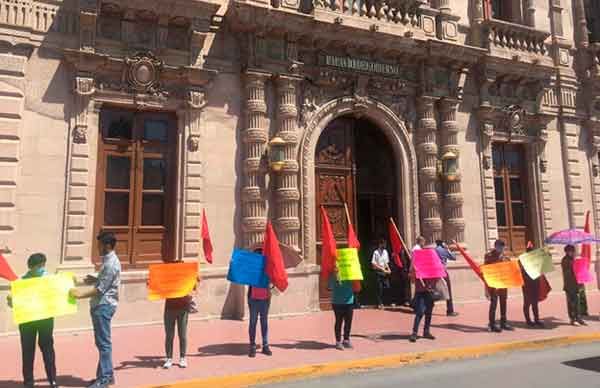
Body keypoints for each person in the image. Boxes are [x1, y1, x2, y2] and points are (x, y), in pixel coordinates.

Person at [70, 232, 121, 388]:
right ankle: (106, 375)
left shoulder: (111, 264)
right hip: (102, 305)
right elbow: (101, 279)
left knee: (103, 343)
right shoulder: (108, 261)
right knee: (102, 343)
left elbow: (100, 290)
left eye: (99, 245)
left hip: (103, 306)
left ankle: (104, 378)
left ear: (107, 245)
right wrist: (85, 279)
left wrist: (79, 294)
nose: (97, 248)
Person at [7, 253, 58, 388]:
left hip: (45, 320)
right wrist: (11, 300)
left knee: (47, 349)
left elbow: (58, 296)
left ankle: (53, 379)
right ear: (31, 267)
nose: (42, 268)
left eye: (43, 265)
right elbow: (13, 303)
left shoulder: (50, 279)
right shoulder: (21, 282)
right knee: (27, 351)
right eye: (39, 266)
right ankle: (28, 382)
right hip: (27, 321)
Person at [162, 261, 197, 369]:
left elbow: (194, 287)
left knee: (182, 335)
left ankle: (183, 357)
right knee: (169, 335)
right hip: (169, 309)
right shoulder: (168, 278)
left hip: (183, 309)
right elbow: (158, 285)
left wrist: (194, 278)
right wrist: (152, 282)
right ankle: (169, 358)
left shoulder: (185, 278)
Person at [484, 239, 513, 333]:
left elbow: (510, 269)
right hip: (493, 284)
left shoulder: (506, 257)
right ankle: (492, 324)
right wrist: (487, 287)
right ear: (495, 246)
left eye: (502, 246)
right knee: (494, 304)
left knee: (503, 302)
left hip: (503, 284)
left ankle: (503, 322)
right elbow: (486, 270)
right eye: (499, 246)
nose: (501, 248)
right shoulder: (489, 256)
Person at [248, 248, 272, 358]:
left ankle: (265, 345)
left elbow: (272, 280)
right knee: (253, 322)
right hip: (253, 299)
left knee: (264, 322)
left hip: (265, 299)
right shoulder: (251, 269)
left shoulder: (267, 268)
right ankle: (252, 346)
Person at [328, 266, 355, 350]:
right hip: (337, 302)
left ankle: (346, 339)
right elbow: (329, 287)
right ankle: (338, 341)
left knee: (348, 321)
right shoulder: (334, 274)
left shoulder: (351, 272)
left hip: (349, 300)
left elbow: (356, 286)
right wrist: (335, 276)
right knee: (339, 321)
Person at [408, 263, 436, 343]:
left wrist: (431, 286)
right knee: (420, 312)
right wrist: (414, 272)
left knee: (429, 312)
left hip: (430, 292)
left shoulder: (432, 266)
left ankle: (426, 332)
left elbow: (437, 277)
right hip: (420, 292)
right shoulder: (417, 267)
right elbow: (412, 281)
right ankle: (414, 332)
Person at [561, 245, 586, 326]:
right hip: (569, 285)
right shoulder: (565, 260)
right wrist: (575, 265)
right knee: (571, 302)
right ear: (567, 252)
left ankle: (578, 318)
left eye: (573, 251)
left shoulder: (573, 259)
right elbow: (568, 273)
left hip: (576, 284)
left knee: (577, 302)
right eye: (571, 251)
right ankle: (572, 319)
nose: (573, 253)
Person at [520, 244, 543, 327]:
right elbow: (521, 272)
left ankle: (536, 319)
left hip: (535, 283)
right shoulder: (522, 260)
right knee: (527, 303)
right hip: (526, 284)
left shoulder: (536, 259)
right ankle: (528, 320)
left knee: (535, 303)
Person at [435, 240, 458, 317]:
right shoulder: (443, 250)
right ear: (442, 243)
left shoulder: (434, 250)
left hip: (435, 272)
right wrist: (447, 249)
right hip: (443, 272)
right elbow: (454, 257)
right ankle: (450, 310)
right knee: (448, 290)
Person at [371, 238, 391, 309]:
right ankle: (379, 303)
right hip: (378, 272)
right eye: (383, 244)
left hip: (384, 272)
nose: (385, 245)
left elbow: (386, 262)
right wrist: (382, 269)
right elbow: (373, 263)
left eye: (385, 244)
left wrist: (388, 269)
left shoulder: (385, 252)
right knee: (379, 288)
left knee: (387, 286)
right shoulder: (376, 252)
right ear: (380, 244)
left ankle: (385, 301)